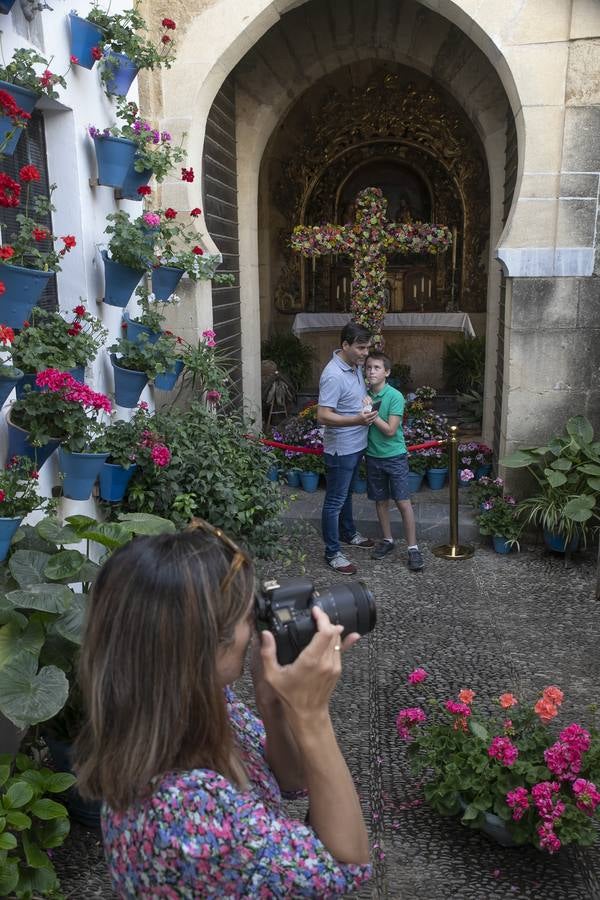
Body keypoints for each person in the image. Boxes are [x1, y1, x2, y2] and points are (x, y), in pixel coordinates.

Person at [74, 520, 371, 898]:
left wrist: (273, 704)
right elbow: (347, 862)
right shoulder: (187, 807)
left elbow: (291, 781)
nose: (256, 628)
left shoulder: (187, 703)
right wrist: (313, 716)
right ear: (203, 648)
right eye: (247, 617)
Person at [317, 322, 378, 575]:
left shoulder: (353, 366)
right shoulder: (333, 374)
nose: (365, 353)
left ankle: (348, 533)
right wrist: (357, 420)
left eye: (367, 348)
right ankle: (332, 553)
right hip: (341, 449)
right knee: (334, 501)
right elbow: (322, 415)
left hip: (356, 445)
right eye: (361, 348)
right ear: (345, 345)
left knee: (347, 495)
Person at [364, 350, 424, 571]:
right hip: (373, 456)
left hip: (394, 456)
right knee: (380, 500)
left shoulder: (395, 396)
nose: (371, 371)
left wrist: (370, 412)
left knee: (402, 501)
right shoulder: (366, 393)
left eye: (377, 368)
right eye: (369, 367)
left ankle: (413, 548)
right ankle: (388, 540)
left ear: (386, 372)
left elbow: (390, 430)